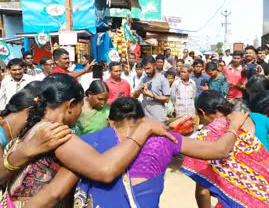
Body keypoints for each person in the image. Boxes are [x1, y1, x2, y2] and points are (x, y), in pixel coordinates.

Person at [3, 74, 176, 207]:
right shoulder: (57, 134)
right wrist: (143, 130)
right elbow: (105, 170)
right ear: (71, 105)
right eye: (80, 105)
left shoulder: (35, 127)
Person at [71, 97, 249, 208]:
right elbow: (220, 150)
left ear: (110, 122)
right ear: (142, 120)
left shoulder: (87, 142)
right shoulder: (164, 139)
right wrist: (234, 125)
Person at [182, 90, 269, 208]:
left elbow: (203, 192)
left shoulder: (207, 137)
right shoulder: (256, 118)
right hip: (267, 196)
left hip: (235, 202)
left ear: (202, 112)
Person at [132, 56, 170, 123]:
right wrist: (140, 90)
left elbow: (167, 99)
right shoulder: (144, 79)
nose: (146, 71)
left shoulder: (162, 79)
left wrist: (152, 96)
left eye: (149, 68)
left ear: (154, 65)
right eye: (145, 69)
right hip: (146, 118)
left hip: (158, 118)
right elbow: (134, 96)